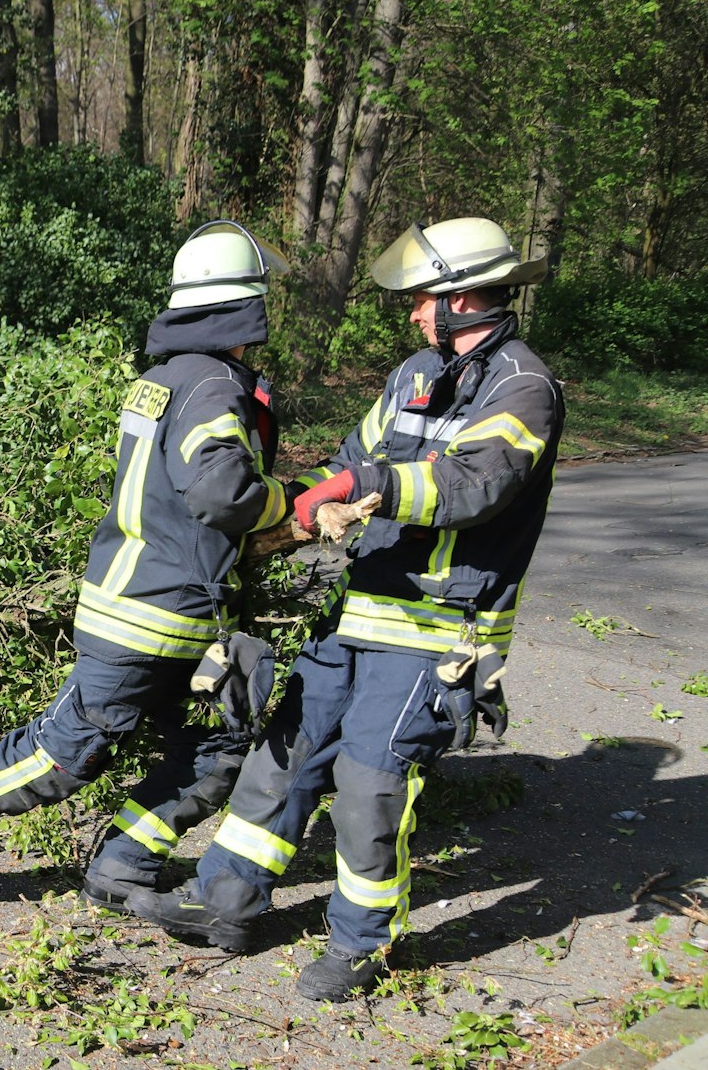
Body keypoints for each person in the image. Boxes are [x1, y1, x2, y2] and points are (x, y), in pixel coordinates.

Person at [129, 216, 564, 1002]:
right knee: (284, 752)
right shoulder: (412, 375)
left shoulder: (524, 386)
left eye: (423, 298)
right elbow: (352, 460)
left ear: (464, 296)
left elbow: (477, 484)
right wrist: (297, 518)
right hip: (362, 608)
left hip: (436, 625)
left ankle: (361, 942)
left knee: (371, 783)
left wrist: (376, 489)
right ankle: (224, 900)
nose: (413, 313)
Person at [0, 221, 294, 923]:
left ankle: (122, 864)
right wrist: (292, 504)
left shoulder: (164, 378)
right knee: (56, 758)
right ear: (243, 306)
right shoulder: (210, 386)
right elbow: (219, 493)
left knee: (221, 740)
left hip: (166, 612)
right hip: (149, 617)